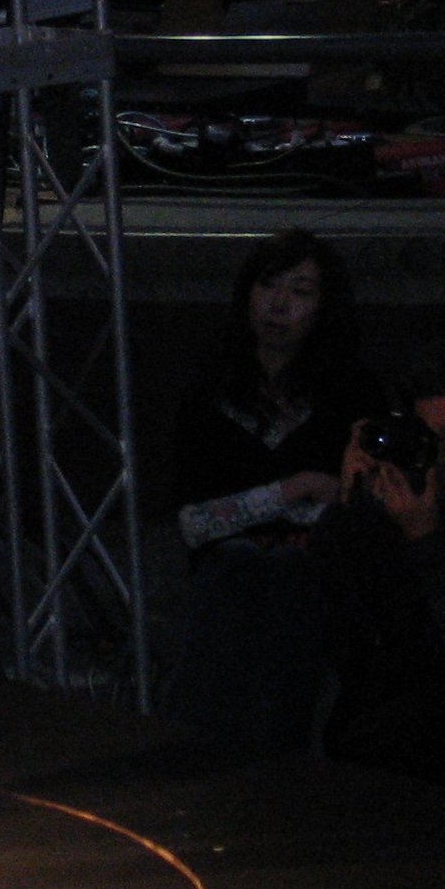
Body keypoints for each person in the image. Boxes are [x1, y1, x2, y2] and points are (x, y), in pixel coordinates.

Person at [164, 231, 385, 746]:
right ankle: (196, 748)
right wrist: (294, 489)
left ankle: (266, 759)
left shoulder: (352, 393)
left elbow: (366, 500)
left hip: (319, 567)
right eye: (268, 286)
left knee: (290, 575)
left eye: (300, 291)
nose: (279, 305)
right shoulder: (210, 392)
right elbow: (194, 521)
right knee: (239, 568)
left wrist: (281, 508)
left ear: (323, 306)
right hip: (228, 567)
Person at [315, 359, 445, 788]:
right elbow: (357, 636)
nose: (441, 456)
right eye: (428, 437)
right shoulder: (440, 505)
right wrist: (355, 501)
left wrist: (426, 538)